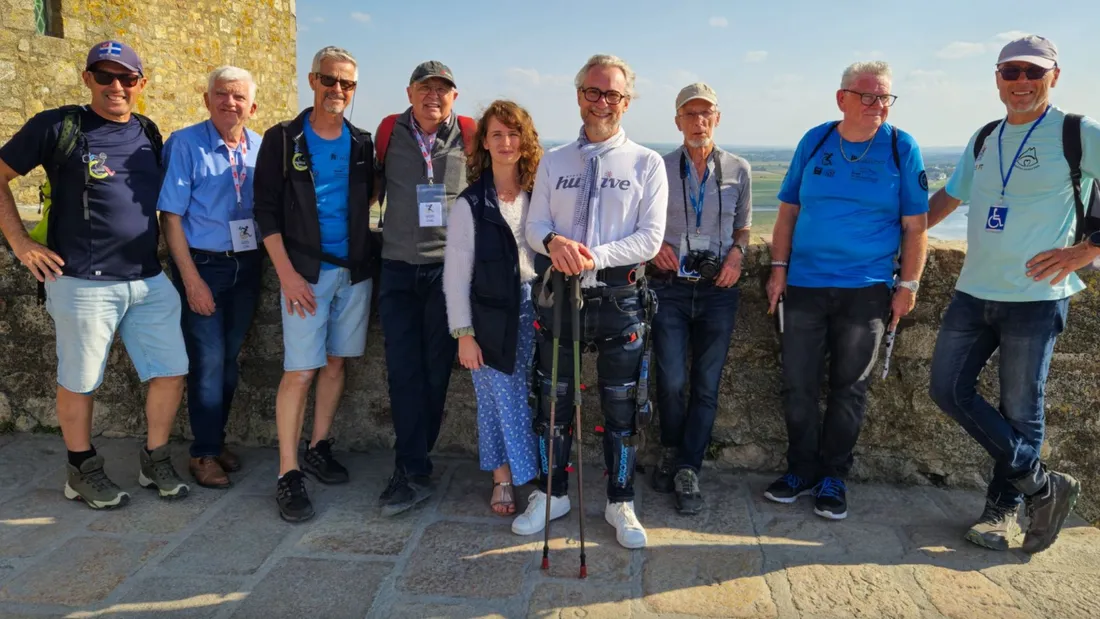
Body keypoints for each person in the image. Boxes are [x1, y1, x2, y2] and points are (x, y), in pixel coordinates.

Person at [0, 40, 190, 508]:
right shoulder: (58, 126)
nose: (116, 86)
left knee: (171, 371)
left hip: (148, 279)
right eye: (105, 76)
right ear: (88, 79)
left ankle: (155, 459)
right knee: (80, 380)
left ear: (141, 84)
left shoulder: (148, 131)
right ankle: (81, 470)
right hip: (83, 282)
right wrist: (21, 243)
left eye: (127, 78)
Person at [927, 35, 1098, 554]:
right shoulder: (986, 136)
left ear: (1054, 77)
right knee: (947, 390)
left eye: (1033, 72)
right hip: (973, 291)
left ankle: (1001, 511)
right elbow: (949, 197)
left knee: (1021, 410)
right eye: (1011, 72)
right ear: (998, 80)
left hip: (1037, 297)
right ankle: (1045, 487)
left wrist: (1086, 250)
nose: (1021, 81)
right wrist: (895, 237)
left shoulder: (1077, 132)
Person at [764, 61, 929, 521]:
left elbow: (916, 226)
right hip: (805, 283)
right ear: (842, 98)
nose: (877, 105)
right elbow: (787, 212)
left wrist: (908, 285)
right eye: (867, 96)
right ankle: (800, 471)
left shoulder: (901, 146)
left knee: (849, 388)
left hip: (866, 289)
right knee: (797, 384)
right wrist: (778, 269)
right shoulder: (816, 140)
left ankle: (833, 476)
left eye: (884, 97)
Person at [518, 54, 668, 549]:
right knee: (552, 402)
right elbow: (535, 226)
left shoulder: (646, 162)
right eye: (593, 92)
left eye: (613, 95)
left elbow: (650, 239)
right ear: (579, 94)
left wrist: (591, 256)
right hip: (560, 296)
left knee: (622, 407)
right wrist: (555, 243)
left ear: (627, 101)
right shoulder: (555, 160)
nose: (602, 102)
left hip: (620, 298)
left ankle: (620, 500)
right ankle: (552, 494)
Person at [253, 46, 376, 522]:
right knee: (300, 372)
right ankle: (288, 472)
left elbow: (370, 196)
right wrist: (287, 275)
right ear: (313, 80)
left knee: (336, 363)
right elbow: (265, 211)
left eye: (347, 83)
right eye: (329, 80)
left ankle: (318, 446)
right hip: (304, 274)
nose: (337, 90)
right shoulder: (284, 138)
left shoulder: (362, 142)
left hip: (354, 272)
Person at [375, 61, 475, 517]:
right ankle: (411, 466)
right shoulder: (388, 131)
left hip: (447, 273)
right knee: (402, 372)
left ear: (454, 96)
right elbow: (369, 190)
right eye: (425, 88)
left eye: (442, 89)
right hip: (396, 268)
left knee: (436, 373)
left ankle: (414, 462)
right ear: (409, 92)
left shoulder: (470, 134)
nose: (433, 95)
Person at [649, 83, 752, 515]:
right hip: (669, 287)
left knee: (707, 384)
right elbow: (641, 224)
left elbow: (744, 227)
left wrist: (737, 255)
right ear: (678, 121)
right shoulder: (658, 168)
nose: (699, 122)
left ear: (717, 119)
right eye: (690, 114)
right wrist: (654, 248)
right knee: (672, 380)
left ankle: (688, 468)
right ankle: (672, 450)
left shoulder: (739, 169)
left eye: (706, 114)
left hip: (718, 290)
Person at [158, 66, 262, 489]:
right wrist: (191, 280)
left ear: (252, 107)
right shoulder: (185, 144)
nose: (229, 102)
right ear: (207, 100)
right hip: (203, 265)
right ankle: (202, 453)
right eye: (221, 94)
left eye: (238, 96)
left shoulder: (260, 147)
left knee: (229, 360)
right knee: (207, 362)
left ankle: (214, 443)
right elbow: (170, 216)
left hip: (248, 265)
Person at [443, 100, 543, 515]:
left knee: (511, 397)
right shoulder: (470, 204)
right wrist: (463, 334)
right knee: (504, 399)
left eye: (513, 133)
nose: (505, 142)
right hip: (489, 316)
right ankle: (526, 481)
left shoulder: (538, 195)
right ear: (484, 142)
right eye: (497, 134)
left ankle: (506, 476)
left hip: (534, 309)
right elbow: (455, 275)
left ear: (525, 140)